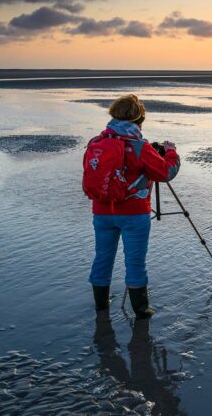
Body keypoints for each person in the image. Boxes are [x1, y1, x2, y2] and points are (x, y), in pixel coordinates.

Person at [84, 94, 180, 319]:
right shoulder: (139, 146)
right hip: (134, 214)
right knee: (135, 261)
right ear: (139, 118)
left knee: (102, 257)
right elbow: (166, 172)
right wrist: (171, 152)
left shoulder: (96, 142)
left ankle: (101, 306)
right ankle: (141, 309)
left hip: (102, 211)